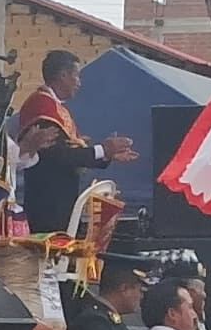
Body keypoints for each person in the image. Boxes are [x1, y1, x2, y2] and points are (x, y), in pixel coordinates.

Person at [13, 52, 136, 237]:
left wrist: (107, 154)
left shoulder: (54, 106)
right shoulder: (42, 106)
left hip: (61, 200)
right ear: (63, 75)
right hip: (47, 201)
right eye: (76, 76)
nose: (79, 82)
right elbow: (58, 154)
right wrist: (103, 150)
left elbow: (73, 150)